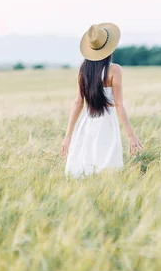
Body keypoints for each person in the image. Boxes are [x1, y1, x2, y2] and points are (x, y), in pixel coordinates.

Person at [60, 22, 143, 177]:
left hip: (86, 123)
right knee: (107, 168)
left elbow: (78, 103)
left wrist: (68, 136)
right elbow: (118, 105)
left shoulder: (83, 70)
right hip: (106, 124)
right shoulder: (115, 70)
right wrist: (131, 135)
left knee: (85, 167)